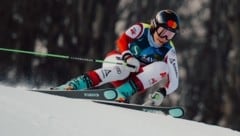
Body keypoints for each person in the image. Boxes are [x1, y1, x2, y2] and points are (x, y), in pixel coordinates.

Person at [55, 9, 180, 106]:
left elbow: (174, 81)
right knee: (123, 70)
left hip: (135, 81)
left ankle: (122, 93)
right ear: (154, 25)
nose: (164, 38)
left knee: (163, 67)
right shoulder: (142, 29)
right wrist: (128, 56)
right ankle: (74, 85)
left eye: (170, 35)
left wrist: (162, 93)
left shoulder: (169, 51)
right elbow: (122, 40)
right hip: (117, 62)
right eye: (163, 31)